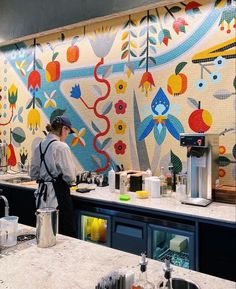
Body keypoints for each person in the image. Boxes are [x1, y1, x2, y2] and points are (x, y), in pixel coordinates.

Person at [30, 115, 77, 238]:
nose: (67, 135)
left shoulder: (38, 146)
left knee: (45, 232)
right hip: (58, 196)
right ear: (64, 128)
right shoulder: (61, 147)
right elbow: (70, 177)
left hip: (41, 196)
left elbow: (33, 174)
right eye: (68, 132)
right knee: (63, 234)